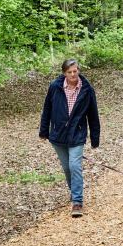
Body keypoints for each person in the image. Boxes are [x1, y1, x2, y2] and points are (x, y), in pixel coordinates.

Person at [39, 59, 100, 218]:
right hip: (58, 135)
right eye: (69, 72)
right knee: (67, 168)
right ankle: (74, 193)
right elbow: (47, 110)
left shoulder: (87, 90)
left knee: (74, 166)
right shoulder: (55, 87)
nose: (73, 74)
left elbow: (93, 115)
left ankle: (77, 201)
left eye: (75, 71)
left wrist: (95, 138)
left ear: (78, 70)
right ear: (64, 73)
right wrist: (43, 131)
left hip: (77, 134)